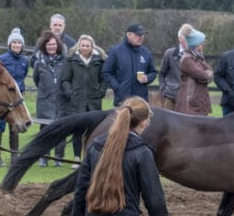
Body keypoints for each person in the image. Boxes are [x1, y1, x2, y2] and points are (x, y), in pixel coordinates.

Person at [61, 35, 107, 163]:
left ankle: (90, 157)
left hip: (93, 102)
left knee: (94, 130)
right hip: (77, 102)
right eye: (83, 45)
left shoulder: (99, 61)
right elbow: (65, 80)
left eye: (87, 46)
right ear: (78, 46)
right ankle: (77, 158)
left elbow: (103, 80)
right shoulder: (71, 61)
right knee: (78, 131)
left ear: (92, 47)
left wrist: (100, 93)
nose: (85, 48)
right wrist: (70, 93)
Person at [0, 28, 30, 166]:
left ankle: (14, 157)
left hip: (17, 99)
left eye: (19, 43)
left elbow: (23, 75)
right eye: (14, 42)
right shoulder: (2, 59)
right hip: (4, 99)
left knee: (16, 125)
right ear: (9, 44)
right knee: (0, 124)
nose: (17, 45)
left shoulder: (25, 60)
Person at [33, 30, 67, 167]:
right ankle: (44, 157)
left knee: (61, 130)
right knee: (45, 130)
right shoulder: (39, 63)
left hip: (61, 101)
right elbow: (36, 80)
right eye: (48, 44)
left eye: (53, 44)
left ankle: (59, 158)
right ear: (44, 46)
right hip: (45, 102)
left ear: (57, 45)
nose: (51, 47)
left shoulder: (65, 62)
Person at [103, 23, 156, 107]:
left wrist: (147, 78)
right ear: (128, 34)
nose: (141, 37)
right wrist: (117, 87)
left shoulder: (146, 53)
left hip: (141, 101)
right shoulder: (115, 51)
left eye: (142, 35)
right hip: (122, 100)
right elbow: (106, 72)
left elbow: (153, 72)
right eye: (138, 35)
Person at [174, 27, 213, 116]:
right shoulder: (186, 59)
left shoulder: (199, 57)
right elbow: (202, 75)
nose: (203, 45)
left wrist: (206, 75)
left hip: (198, 99)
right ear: (196, 45)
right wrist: (206, 75)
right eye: (202, 43)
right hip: (189, 102)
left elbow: (210, 71)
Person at [158, 24, 190, 110]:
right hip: (171, 97)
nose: (188, 41)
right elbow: (162, 73)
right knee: (167, 119)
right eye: (186, 38)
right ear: (180, 38)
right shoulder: (170, 53)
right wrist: (164, 90)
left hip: (188, 98)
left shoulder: (195, 55)